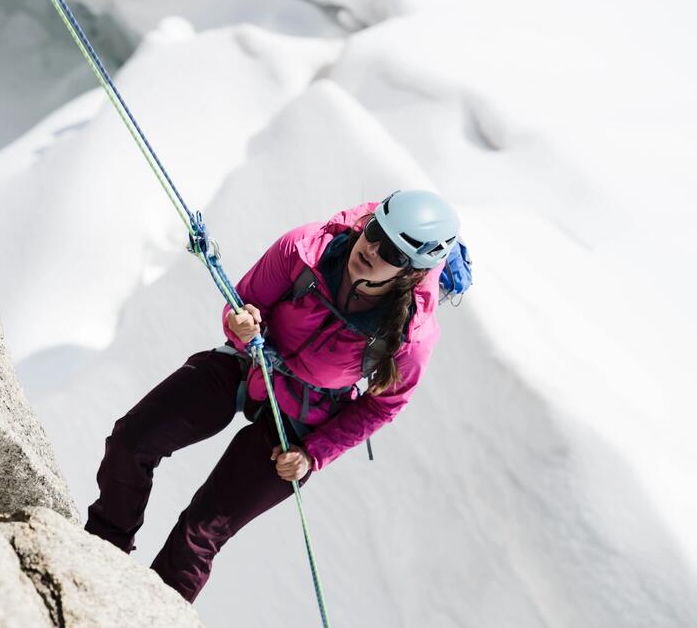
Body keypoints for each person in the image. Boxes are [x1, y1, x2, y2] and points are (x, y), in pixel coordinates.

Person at [85, 189, 460, 603]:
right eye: (374, 230)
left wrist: (313, 454)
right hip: (246, 367)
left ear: (409, 272)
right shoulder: (305, 250)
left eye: (390, 250)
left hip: (304, 421)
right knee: (131, 440)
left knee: (201, 533)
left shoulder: (412, 338)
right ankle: (100, 557)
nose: (371, 248)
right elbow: (244, 304)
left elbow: (381, 405)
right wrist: (241, 326)